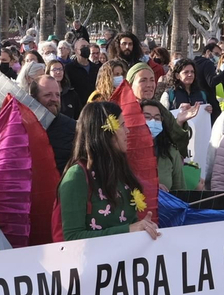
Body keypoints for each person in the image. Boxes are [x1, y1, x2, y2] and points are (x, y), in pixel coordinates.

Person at [59, 102, 162, 242]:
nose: (128, 131)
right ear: (106, 132)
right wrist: (128, 230)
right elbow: (72, 238)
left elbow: (128, 224)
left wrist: (143, 228)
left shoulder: (120, 170)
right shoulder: (77, 175)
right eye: (121, 125)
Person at [32, 75, 75, 173]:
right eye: (48, 95)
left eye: (57, 95)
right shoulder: (22, 126)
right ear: (34, 98)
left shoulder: (72, 128)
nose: (55, 99)